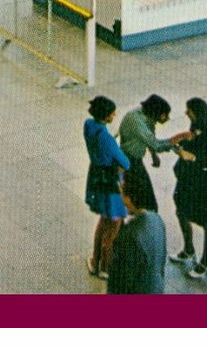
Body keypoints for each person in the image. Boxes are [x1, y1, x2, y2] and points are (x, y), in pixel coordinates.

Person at [170, 97, 207, 280]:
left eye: (189, 110)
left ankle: (205, 261)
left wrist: (191, 158)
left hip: (205, 189)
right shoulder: (195, 131)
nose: (186, 113)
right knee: (182, 212)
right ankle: (188, 249)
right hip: (188, 184)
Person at [84, 95, 131, 279]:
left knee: (103, 221)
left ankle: (95, 261)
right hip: (110, 181)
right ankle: (106, 267)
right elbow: (125, 163)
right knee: (114, 224)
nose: (115, 115)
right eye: (112, 113)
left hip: (96, 176)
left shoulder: (89, 125)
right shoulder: (106, 138)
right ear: (106, 116)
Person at [108, 170, 167, 294]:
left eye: (122, 191)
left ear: (129, 199)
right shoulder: (156, 219)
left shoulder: (129, 236)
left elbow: (122, 282)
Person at [118, 94, 177, 214]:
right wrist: (177, 139)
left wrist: (153, 154)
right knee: (149, 204)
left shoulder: (147, 116)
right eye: (165, 115)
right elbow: (156, 144)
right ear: (155, 113)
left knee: (141, 199)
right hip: (129, 162)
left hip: (134, 160)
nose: (167, 118)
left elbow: (150, 135)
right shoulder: (136, 121)